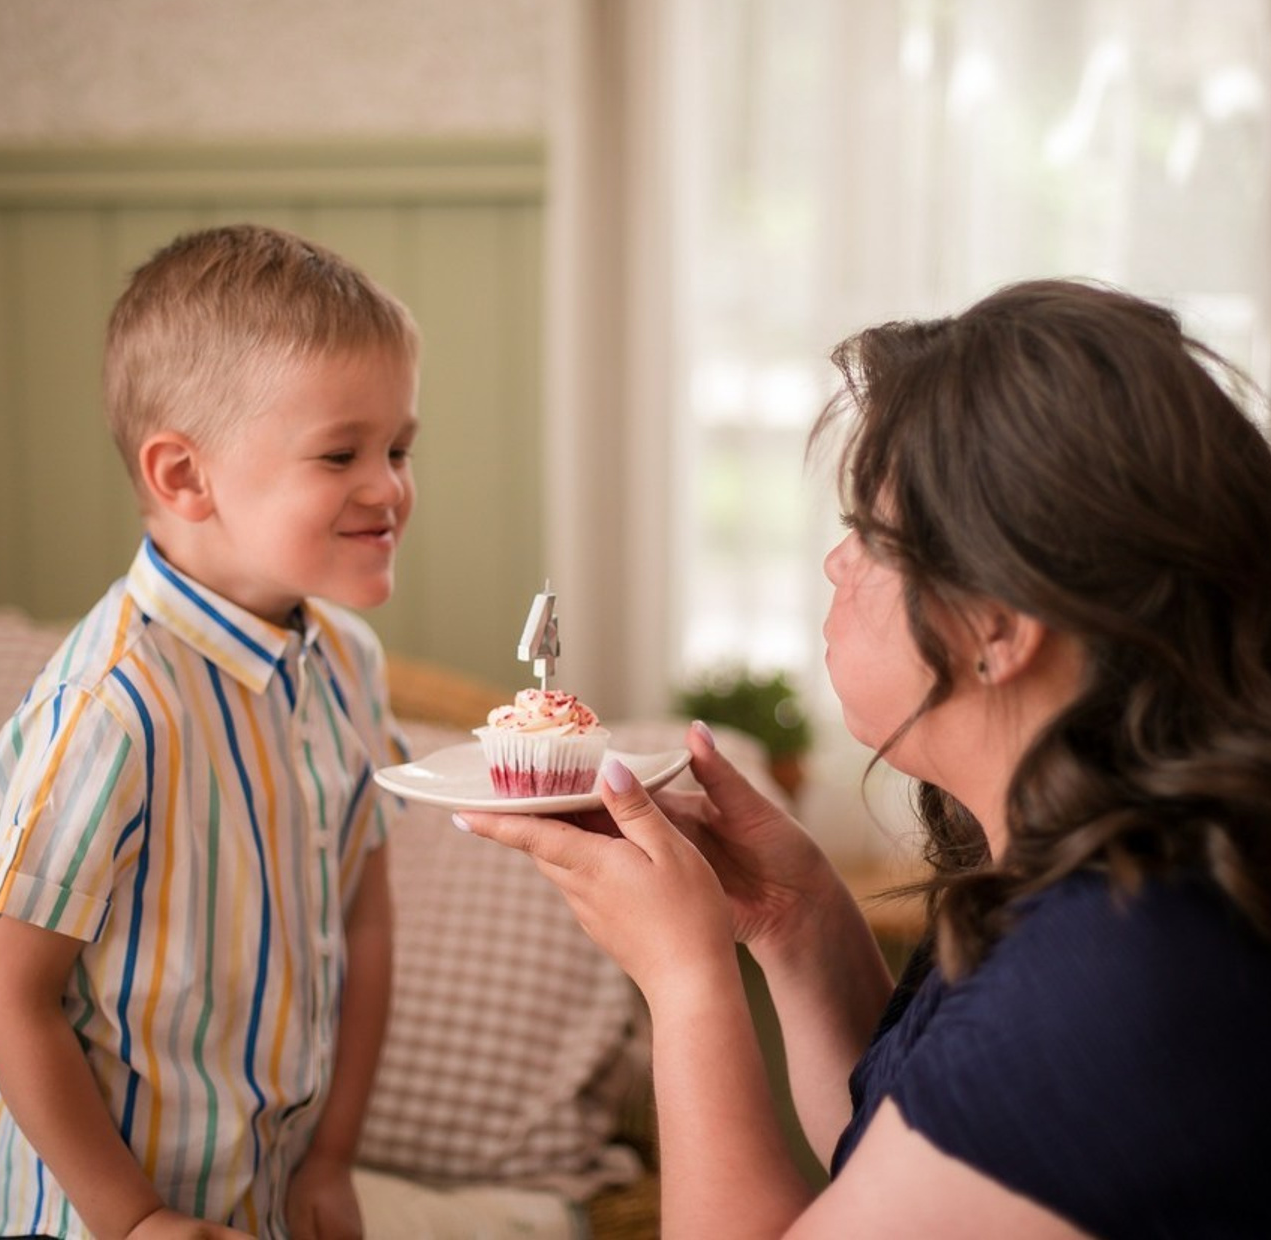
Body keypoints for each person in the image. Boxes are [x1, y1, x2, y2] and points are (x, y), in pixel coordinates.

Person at [458, 279, 1271, 1238]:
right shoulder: (1082, 876)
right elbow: (910, 1172)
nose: (837, 564)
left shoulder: (1113, 971)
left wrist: (683, 982)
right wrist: (798, 923)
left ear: (999, 625)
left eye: (873, 535)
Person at [0, 224, 420, 1240]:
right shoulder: (115, 709)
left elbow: (366, 917)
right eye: (340, 453)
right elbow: (10, 998)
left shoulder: (349, 665)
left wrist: (332, 1154)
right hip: (90, 1214)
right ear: (185, 477)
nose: (391, 485)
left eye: (399, 447)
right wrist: (133, 1216)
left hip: (265, 1198)